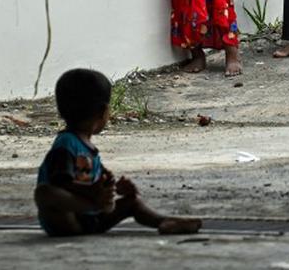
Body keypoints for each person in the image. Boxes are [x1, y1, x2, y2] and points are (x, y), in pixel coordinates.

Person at [33, 68, 201, 236]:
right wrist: (93, 195)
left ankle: (164, 221)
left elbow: (96, 181)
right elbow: (60, 182)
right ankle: (94, 208)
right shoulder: (66, 144)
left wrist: (113, 188)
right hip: (67, 221)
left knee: (132, 202)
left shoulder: (87, 147)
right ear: (103, 112)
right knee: (45, 193)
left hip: (95, 219)